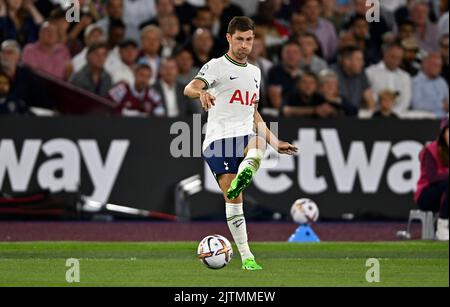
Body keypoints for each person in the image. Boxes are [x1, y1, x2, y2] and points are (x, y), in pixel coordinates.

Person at [184, 16, 297, 271]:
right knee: (234, 200)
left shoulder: (256, 73)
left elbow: (254, 113)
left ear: (254, 40)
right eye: (239, 39)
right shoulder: (216, 66)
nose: (244, 45)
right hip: (217, 140)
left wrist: (276, 142)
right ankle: (246, 255)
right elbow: (189, 88)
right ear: (229, 38)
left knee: (258, 142)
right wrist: (201, 92)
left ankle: (248, 169)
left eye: (249, 40)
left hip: (244, 133)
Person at [415, 118, 449, 241]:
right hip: (427, 195)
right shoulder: (431, 149)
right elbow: (432, 177)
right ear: (443, 133)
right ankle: (442, 226)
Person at [366, 42, 412, 114]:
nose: (395, 61)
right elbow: (369, 96)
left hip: (398, 117)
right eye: (392, 57)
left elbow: (406, 100)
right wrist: (381, 112)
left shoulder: (405, 77)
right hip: (375, 115)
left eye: (398, 59)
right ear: (385, 54)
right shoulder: (370, 72)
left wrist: (394, 114)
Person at [411, 52, 449, 118]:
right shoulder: (416, 82)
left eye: (440, 66)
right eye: (435, 65)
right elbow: (416, 104)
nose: (439, 69)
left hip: (444, 119)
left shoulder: (441, 82)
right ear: (425, 65)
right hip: (427, 120)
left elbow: (447, 101)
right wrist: (440, 105)